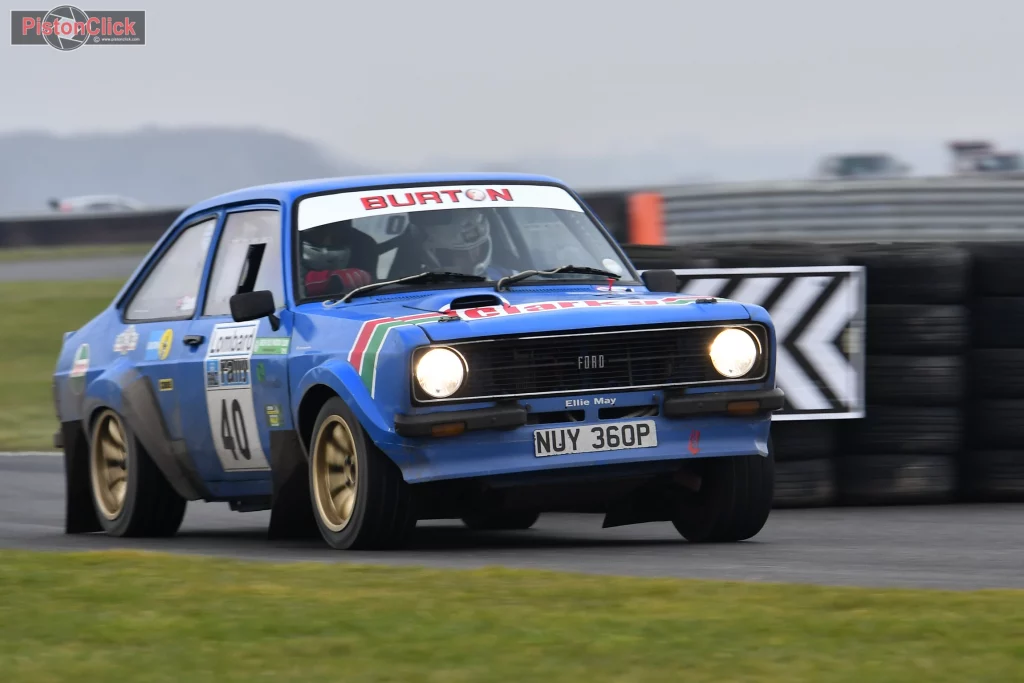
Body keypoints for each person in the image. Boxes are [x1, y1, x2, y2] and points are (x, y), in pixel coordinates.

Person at [408, 208, 515, 279]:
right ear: (437, 255)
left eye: (476, 249)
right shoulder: (414, 287)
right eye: (460, 254)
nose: (472, 260)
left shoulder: (510, 278)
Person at [299, 221, 374, 297]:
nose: (328, 242)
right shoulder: (291, 243)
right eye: (318, 236)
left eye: (338, 237)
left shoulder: (364, 245)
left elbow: (376, 289)